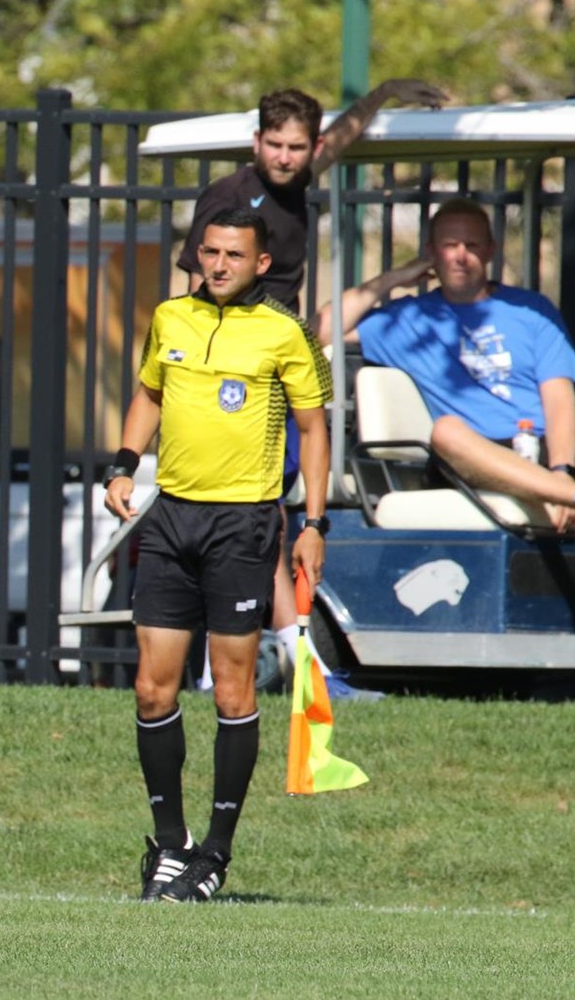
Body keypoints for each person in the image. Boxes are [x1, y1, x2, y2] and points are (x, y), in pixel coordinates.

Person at [178, 82, 447, 698]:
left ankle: (282, 664)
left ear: (311, 147)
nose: (284, 156)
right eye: (273, 144)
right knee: (250, 520)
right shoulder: (229, 198)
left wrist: (385, 95)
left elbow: (342, 137)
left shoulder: (295, 183)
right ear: (256, 143)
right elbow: (196, 291)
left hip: (278, 373)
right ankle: (289, 667)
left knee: (263, 519)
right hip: (237, 382)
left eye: (296, 147)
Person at [105, 210, 332, 902]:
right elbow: (150, 393)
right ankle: (170, 847)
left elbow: (314, 428)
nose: (220, 264)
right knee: (152, 687)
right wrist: (122, 464)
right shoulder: (171, 317)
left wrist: (314, 522)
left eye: (235, 254)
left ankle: (217, 852)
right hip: (172, 516)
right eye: (210, 252)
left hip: (244, 524)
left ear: (261, 264)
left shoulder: (285, 332)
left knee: (232, 690)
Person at [317, 198, 575, 531]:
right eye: (450, 245)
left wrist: (561, 468)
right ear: (432, 252)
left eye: (472, 245)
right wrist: (394, 277)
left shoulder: (532, 310)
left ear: (490, 250)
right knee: (446, 431)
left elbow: (558, 397)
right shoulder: (407, 319)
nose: (461, 255)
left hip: (540, 450)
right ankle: (574, 495)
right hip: (467, 456)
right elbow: (320, 331)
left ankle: (559, 490)